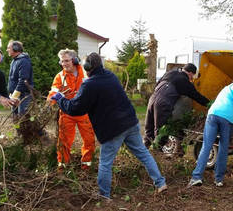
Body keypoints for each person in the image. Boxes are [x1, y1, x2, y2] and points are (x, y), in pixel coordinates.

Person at [52, 52, 167, 199]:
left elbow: (75, 109)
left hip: (113, 129)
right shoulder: (110, 76)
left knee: (105, 162)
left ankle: (103, 195)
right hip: (130, 122)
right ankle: (160, 183)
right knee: (143, 154)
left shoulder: (89, 84)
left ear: (88, 67)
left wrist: (61, 99)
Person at [188, 73, 233, 188]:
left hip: (212, 115)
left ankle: (196, 177)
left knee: (206, 146)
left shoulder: (226, 88)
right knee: (223, 148)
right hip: (227, 119)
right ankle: (218, 179)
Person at [47, 49, 95, 172]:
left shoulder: (85, 73)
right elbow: (54, 92)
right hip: (66, 113)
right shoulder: (60, 76)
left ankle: (86, 166)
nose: (64, 64)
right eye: (62, 61)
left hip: (84, 113)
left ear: (74, 60)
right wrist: (50, 101)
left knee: (89, 140)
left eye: (67, 61)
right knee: (63, 141)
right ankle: (63, 166)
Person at [144, 63, 210, 148]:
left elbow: (157, 84)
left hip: (152, 99)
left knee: (149, 129)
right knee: (161, 131)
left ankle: (144, 151)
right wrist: (209, 104)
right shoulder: (184, 81)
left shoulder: (170, 73)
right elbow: (196, 96)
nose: (192, 79)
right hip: (163, 103)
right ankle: (157, 155)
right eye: (192, 77)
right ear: (190, 73)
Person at [6, 40, 33, 115]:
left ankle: (22, 127)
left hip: (23, 96)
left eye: (9, 48)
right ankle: (16, 127)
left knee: (22, 118)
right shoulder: (14, 61)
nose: (7, 50)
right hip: (15, 96)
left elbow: (23, 80)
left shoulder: (24, 61)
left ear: (15, 48)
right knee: (15, 119)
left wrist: (15, 96)